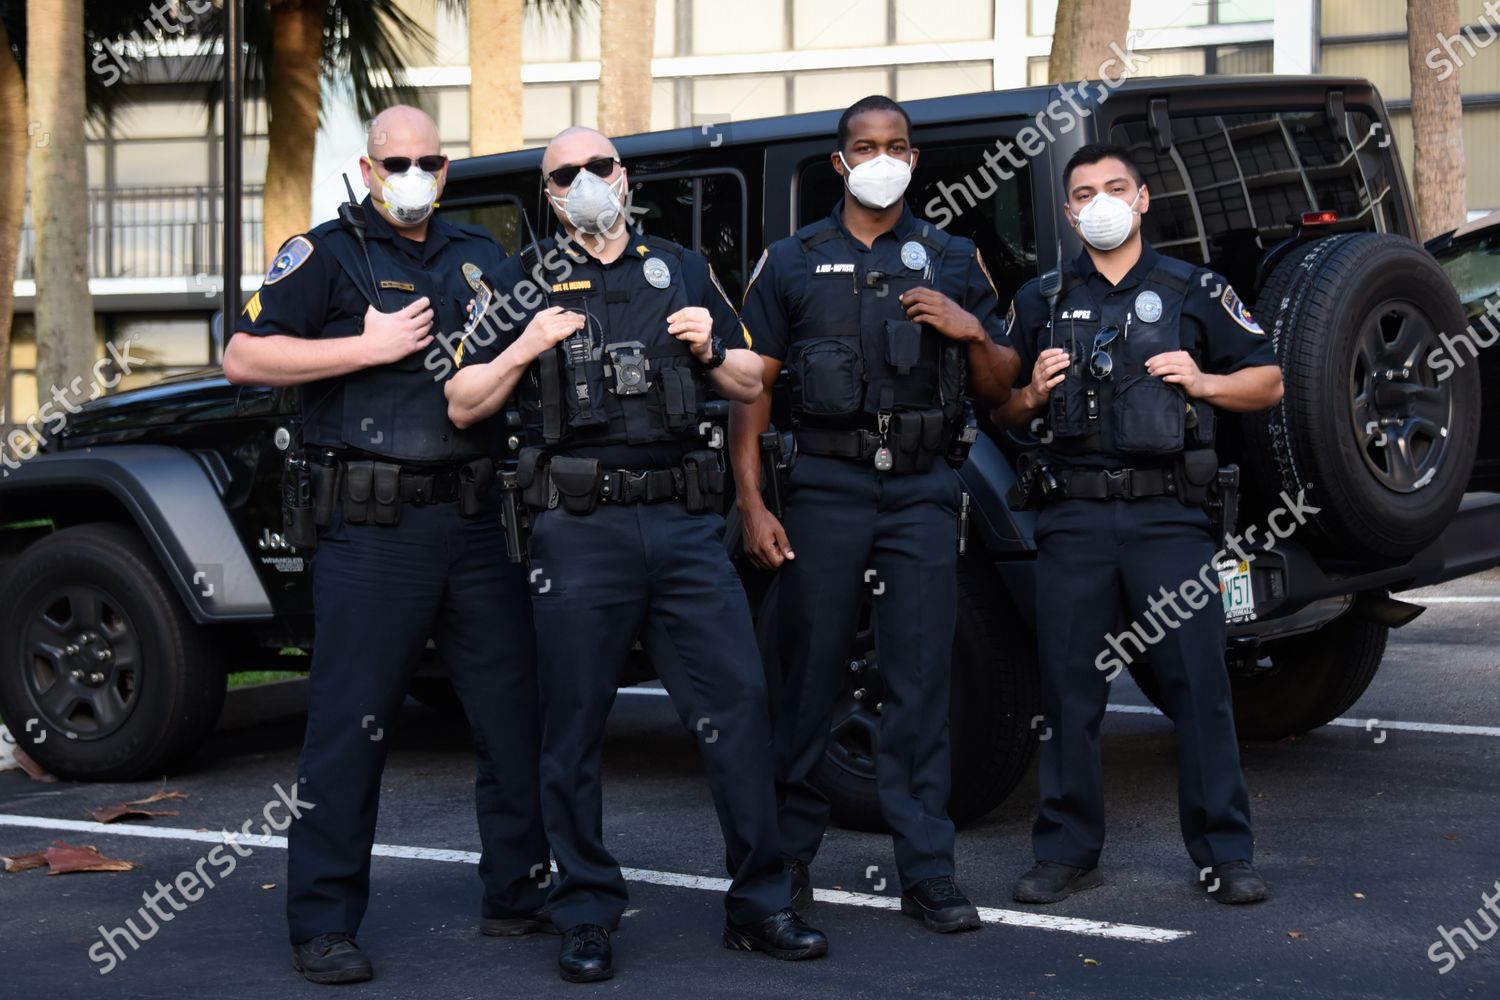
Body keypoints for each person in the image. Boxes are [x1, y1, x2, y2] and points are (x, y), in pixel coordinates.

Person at [446, 126, 828, 984]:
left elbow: (749, 385)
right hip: (578, 532)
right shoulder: (519, 279)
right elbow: (464, 402)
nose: (585, 182)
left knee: (736, 709)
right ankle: (584, 909)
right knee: (573, 726)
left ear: (625, 176)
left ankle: (762, 902)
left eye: (598, 167)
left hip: (687, 529)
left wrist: (712, 348)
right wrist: (524, 345)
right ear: (548, 195)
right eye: (565, 174)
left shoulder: (682, 268)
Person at [223, 106, 552, 984]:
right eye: (396, 161)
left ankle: (518, 894)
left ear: (445, 170)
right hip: (373, 531)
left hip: (478, 522)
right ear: (369, 170)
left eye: (429, 161)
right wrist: (359, 347)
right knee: (349, 729)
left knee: (514, 715)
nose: (414, 174)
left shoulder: (480, 254)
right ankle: (324, 923)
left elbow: (535, 340)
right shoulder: (326, 253)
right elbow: (244, 358)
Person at [732, 95, 1019, 933]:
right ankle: (786, 862)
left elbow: (1003, 395)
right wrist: (752, 503)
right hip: (824, 485)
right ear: (841, 163)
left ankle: (927, 872)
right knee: (808, 674)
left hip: (926, 488)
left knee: (921, 680)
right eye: (866, 145)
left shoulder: (955, 257)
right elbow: (752, 390)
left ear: (913, 158)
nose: (882, 156)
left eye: (896, 144)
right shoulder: (789, 261)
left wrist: (971, 331)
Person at [996, 142, 1283, 906]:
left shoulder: (1195, 289)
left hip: (1169, 519)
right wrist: (1029, 392)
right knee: (1069, 695)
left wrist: (1205, 380)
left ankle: (1226, 853)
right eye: (1084, 193)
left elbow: (1270, 380)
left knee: (1200, 688)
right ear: (1067, 211)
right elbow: (998, 405)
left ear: (1144, 199)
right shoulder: (1042, 300)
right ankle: (1065, 852)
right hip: (1075, 518)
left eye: (1115, 188)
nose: (1101, 202)